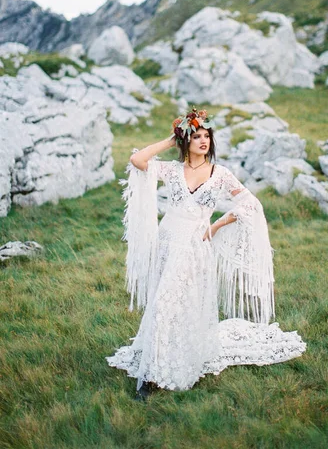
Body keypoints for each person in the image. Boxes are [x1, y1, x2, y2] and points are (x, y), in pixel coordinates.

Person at [106, 107, 306, 400]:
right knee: (162, 304)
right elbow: (137, 160)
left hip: (196, 246)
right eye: (196, 136)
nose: (203, 141)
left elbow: (250, 203)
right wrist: (169, 139)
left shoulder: (220, 175)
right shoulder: (172, 170)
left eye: (207, 136)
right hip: (169, 242)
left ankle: (170, 368)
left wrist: (218, 224)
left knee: (180, 304)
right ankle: (153, 372)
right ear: (185, 140)